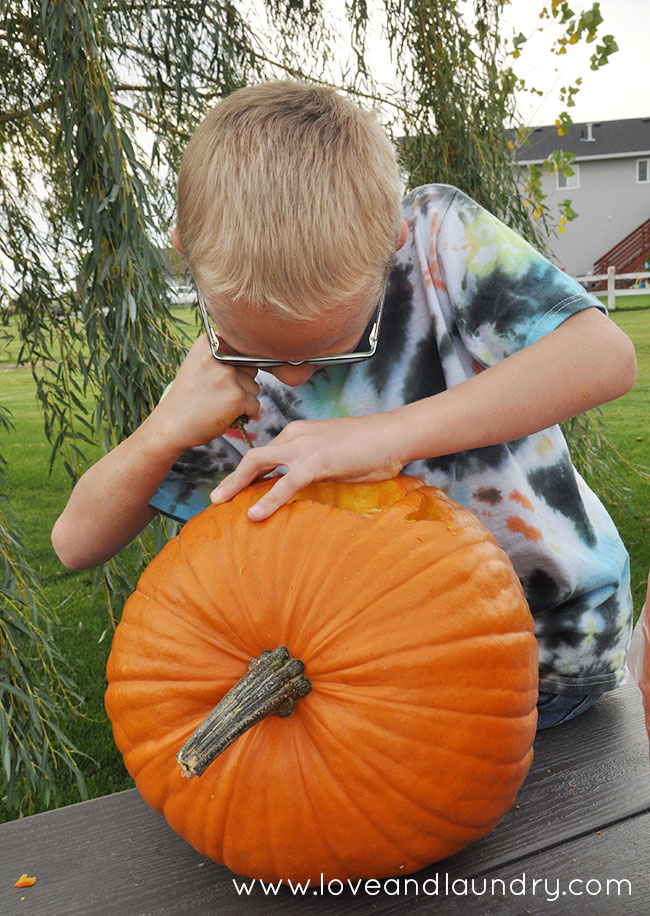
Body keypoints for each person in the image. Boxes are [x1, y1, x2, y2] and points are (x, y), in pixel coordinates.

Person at [52, 80, 637, 729]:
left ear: (391, 242)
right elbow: (75, 542)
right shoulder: (219, 389)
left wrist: (388, 436)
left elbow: (605, 356)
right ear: (187, 256)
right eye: (258, 349)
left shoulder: (437, 241)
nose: (295, 377)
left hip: (552, 652)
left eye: (335, 346)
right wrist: (162, 431)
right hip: (380, 684)